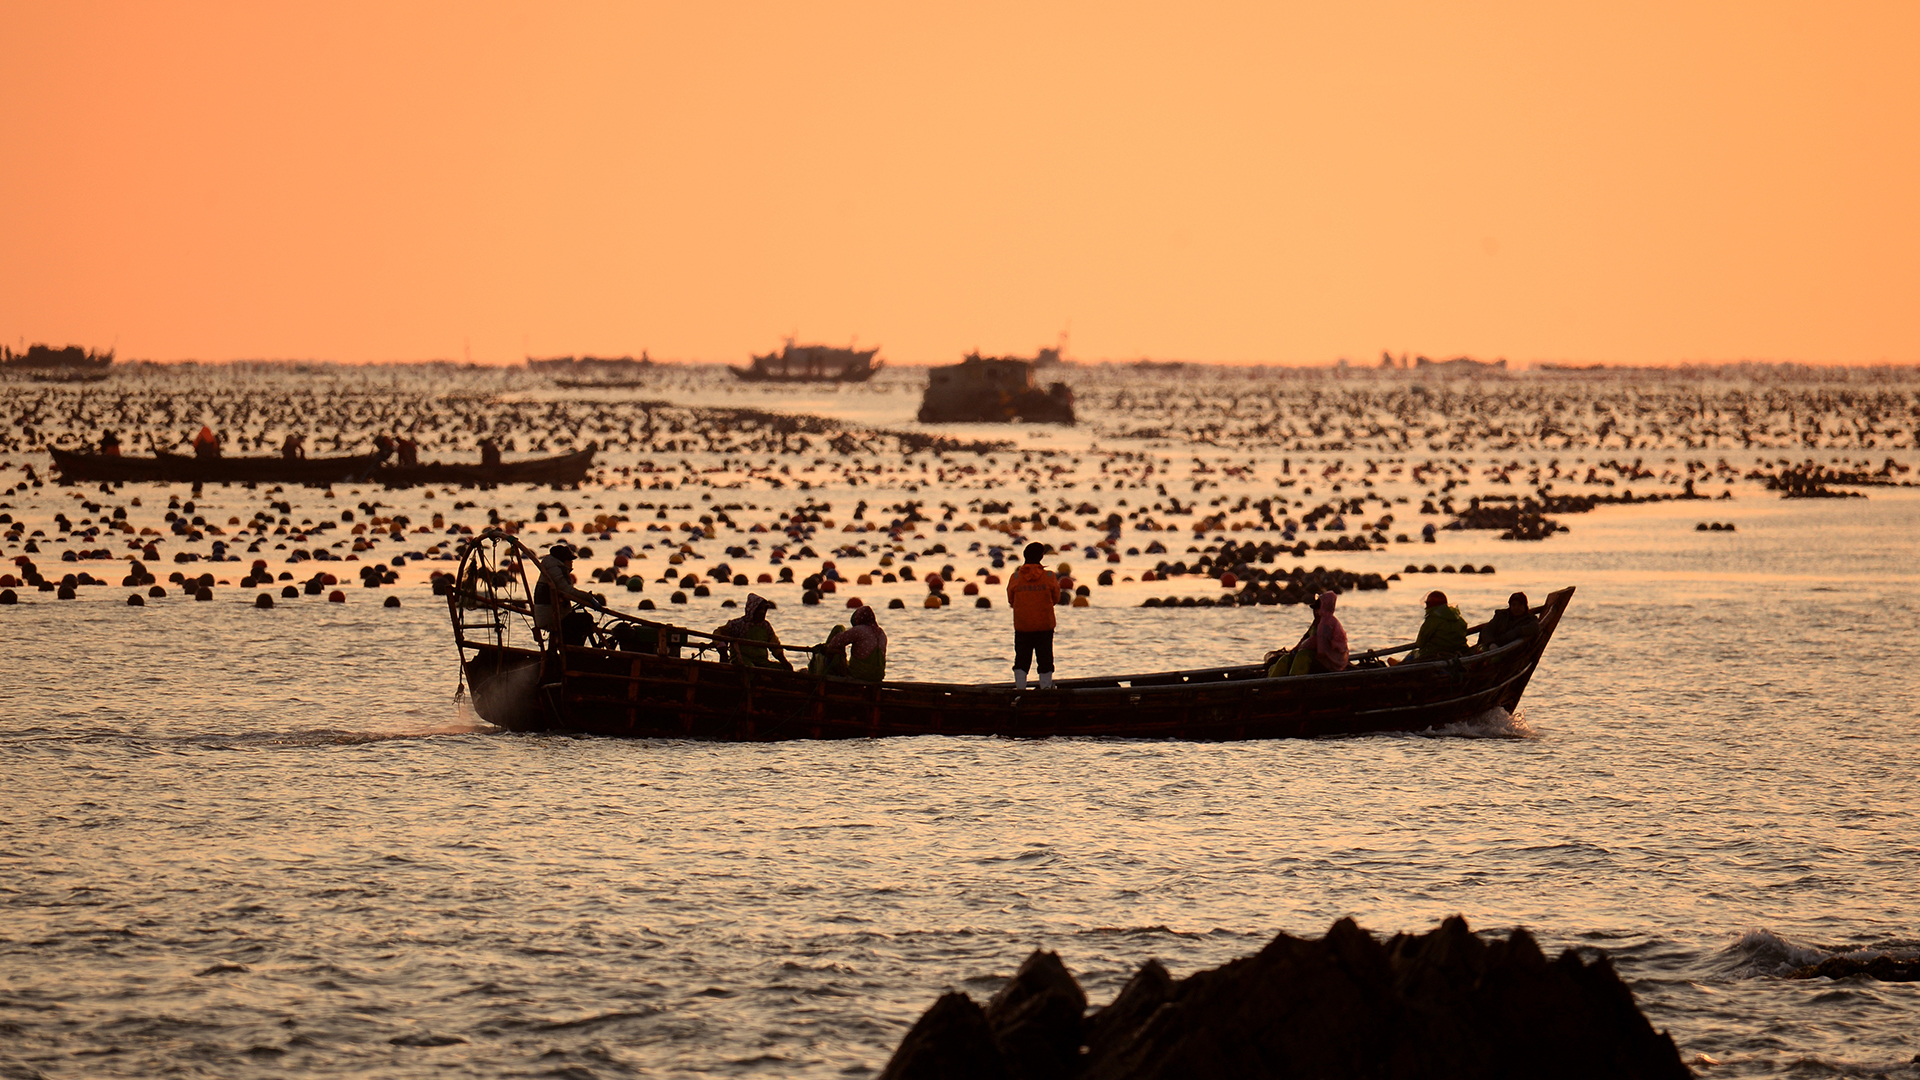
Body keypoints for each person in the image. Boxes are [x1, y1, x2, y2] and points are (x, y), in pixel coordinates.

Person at [1006, 541, 1058, 689]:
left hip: (1023, 626)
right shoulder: (1049, 576)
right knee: (1045, 658)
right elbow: (1056, 598)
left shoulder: (1015, 578)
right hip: (1044, 625)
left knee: (1021, 659)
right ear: (1041, 557)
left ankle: (1020, 689)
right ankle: (1046, 688)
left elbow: (1011, 600)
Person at [534, 542, 603, 646]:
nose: (572, 563)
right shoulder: (555, 570)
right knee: (586, 619)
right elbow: (568, 591)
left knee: (578, 619)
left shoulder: (551, 568)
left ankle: (572, 649)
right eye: (570, 560)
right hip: (550, 617)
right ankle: (574, 651)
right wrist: (589, 598)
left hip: (552, 614)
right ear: (563, 561)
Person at [1270, 591, 1348, 675]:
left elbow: (1318, 644)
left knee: (1303, 655)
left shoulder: (1327, 624)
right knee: (1285, 658)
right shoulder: (1317, 623)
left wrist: (1301, 649)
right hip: (1316, 657)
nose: (1315, 612)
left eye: (1317, 609)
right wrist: (1295, 650)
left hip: (1328, 661)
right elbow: (1305, 638)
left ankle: (1294, 682)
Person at [716, 592, 791, 670]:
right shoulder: (738, 624)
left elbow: (775, 646)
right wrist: (722, 647)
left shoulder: (766, 626)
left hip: (761, 661)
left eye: (764, 609)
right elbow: (718, 633)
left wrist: (784, 661)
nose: (763, 612)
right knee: (749, 668)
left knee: (781, 668)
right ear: (752, 610)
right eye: (760, 609)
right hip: (742, 660)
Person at [823, 605, 888, 682]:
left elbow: (836, 642)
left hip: (859, 674)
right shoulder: (881, 633)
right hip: (878, 675)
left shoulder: (859, 630)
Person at [1404, 590, 1469, 662]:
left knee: (1413, 653)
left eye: (1427, 604)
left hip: (1434, 654)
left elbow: (1420, 643)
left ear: (1431, 605)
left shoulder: (1432, 619)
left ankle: (1400, 666)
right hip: (1460, 652)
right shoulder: (1459, 619)